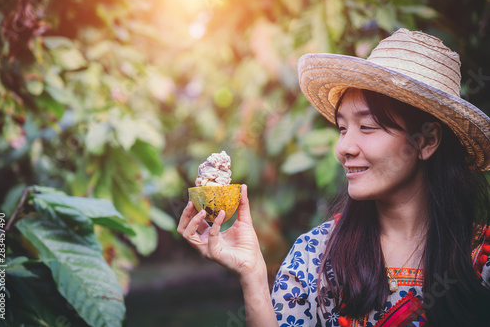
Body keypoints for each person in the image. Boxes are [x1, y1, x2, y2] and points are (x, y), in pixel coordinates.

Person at [178, 28, 490, 327]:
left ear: (426, 141)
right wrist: (252, 274)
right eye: (342, 128)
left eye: (366, 128)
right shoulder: (315, 255)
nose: (344, 148)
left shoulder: (482, 259)